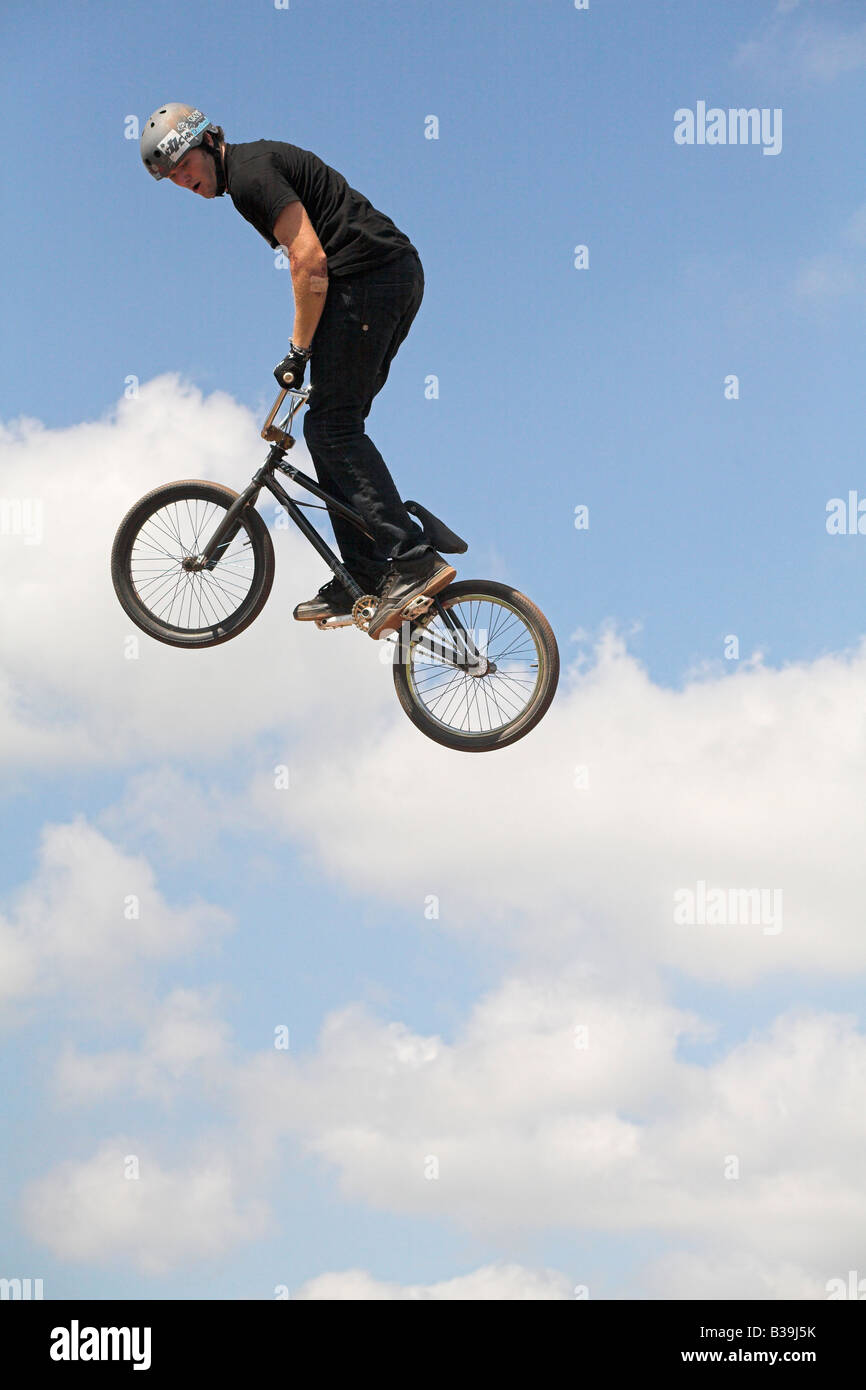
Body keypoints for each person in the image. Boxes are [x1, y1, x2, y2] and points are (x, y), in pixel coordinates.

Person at [140, 104, 455, 638]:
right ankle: (366, 570)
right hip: (388, 277)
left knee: (332, 426)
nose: (182, 179)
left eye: (184, 164)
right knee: (332, 427)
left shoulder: (250, 177)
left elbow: (308, 261)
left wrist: (297, 349)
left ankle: (411, 558)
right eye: (171, 177)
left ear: (209, 140)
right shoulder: (249, 173)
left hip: (371, 279)